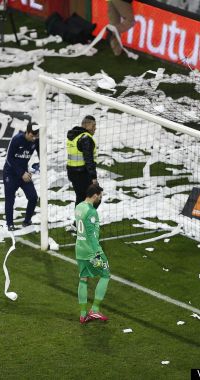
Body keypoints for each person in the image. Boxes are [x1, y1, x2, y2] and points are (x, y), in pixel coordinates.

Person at [76, 184, 110, 324]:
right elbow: (91, 236)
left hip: (80, 250)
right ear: (95, 195)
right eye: (100, 196)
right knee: (105, 274)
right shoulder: (91, 212)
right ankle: (94, 310)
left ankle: (83, 314)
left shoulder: (78, 206)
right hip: (91, 252)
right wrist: (97, 253)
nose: (100, 199)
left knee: (83, 278)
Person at [3, 121, 40, 231]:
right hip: (10, 173)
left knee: (33, 197)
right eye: (32, 136)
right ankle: (10, 224)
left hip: (24, 172)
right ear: (27, 132)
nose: (34, 138)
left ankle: (27, 220)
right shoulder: (17, 139)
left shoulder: (36, 140)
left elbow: (41, 155)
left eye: (36, 136)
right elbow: (10, 159)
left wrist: (39, 166)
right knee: (10, 199)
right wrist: (21, 173)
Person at [67, 115, 99, 208]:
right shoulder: (86, 138)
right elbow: (89, 160)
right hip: (82, 173)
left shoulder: (74, 136)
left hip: (72, 173)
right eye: (93, 126)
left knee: (80, 197)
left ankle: (79, 221)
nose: (95, 128)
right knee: (95, 196)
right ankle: (84, 220)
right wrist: (93, 177)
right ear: (86, 125)